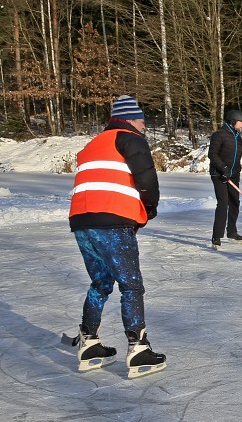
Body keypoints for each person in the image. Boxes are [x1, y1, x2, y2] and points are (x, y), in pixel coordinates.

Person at [69, 95, 166, 378]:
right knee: (131, 285)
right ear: (128, 120)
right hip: (112, 221)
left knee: (100, 282)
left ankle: (89, 344)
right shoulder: (130, 139)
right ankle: (138, 349)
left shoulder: (93, 144)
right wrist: (149, 209)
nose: (144, 126)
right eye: (141, 120)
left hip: (82, 221)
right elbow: (146, 179)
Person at [208, 109, 242, 249]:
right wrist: (223, 169)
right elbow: (212, 154)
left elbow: (236, 157)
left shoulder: (238, 137)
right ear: (233, 121)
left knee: (235, 202)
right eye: (241, 122)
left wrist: (236, 169)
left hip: (233, 174)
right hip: (219, 174)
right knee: (223, 203)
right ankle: (216, 237)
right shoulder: (219, 135)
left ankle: (232, 232)